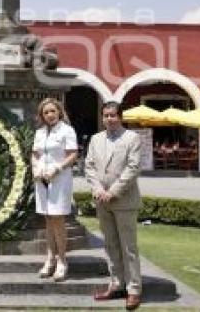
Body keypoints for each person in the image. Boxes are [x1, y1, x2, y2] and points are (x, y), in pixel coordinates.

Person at [85, 101, 142, 310]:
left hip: (124, 200)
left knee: (129, 247)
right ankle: (117, 283)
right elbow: (89, 166)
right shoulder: (95, 139)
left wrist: (113, 191)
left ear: (120, 117)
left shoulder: (132, 138)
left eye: (113, 115)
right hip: (102, 200)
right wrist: (98, 190)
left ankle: (134, 289)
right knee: (110, 245)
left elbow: (133, 168)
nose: (109, 119)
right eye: (106, 115)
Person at [32, 98, 77, 282]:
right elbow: (34, 154)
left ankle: (62, 260)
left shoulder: (67, 130)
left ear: (59, 111)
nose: (50, 115)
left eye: (52, 111)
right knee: (48, 219)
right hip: (42, 180)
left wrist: (57, 168)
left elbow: (73, 154)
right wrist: (35, 167)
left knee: (58, 219)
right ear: (42, 115)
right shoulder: (40, 132)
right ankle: (50, 258)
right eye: (46, 112)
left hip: (60, 179)